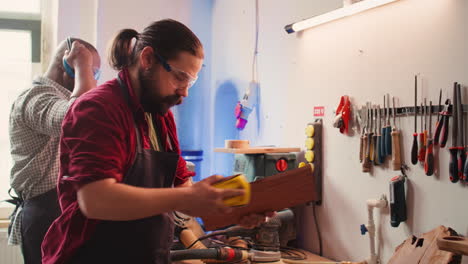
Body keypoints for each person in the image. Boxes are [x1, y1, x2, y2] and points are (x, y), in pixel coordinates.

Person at [41, 19, 270, 264]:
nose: (185, 92)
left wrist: (236, 208)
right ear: (148, 59)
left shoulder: (161, 117)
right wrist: (189, 199)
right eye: (180, 78)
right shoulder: (98, 108)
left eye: (190, 82)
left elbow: (185, 192)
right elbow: (95, 200)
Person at [7, 38, 101, 264]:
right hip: (45, 213)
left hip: (59, 208)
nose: (93, 80)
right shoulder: (35, 98)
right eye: (92, 72)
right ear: (69, 66)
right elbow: (83, 118)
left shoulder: (60, 98)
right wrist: (83, 67)